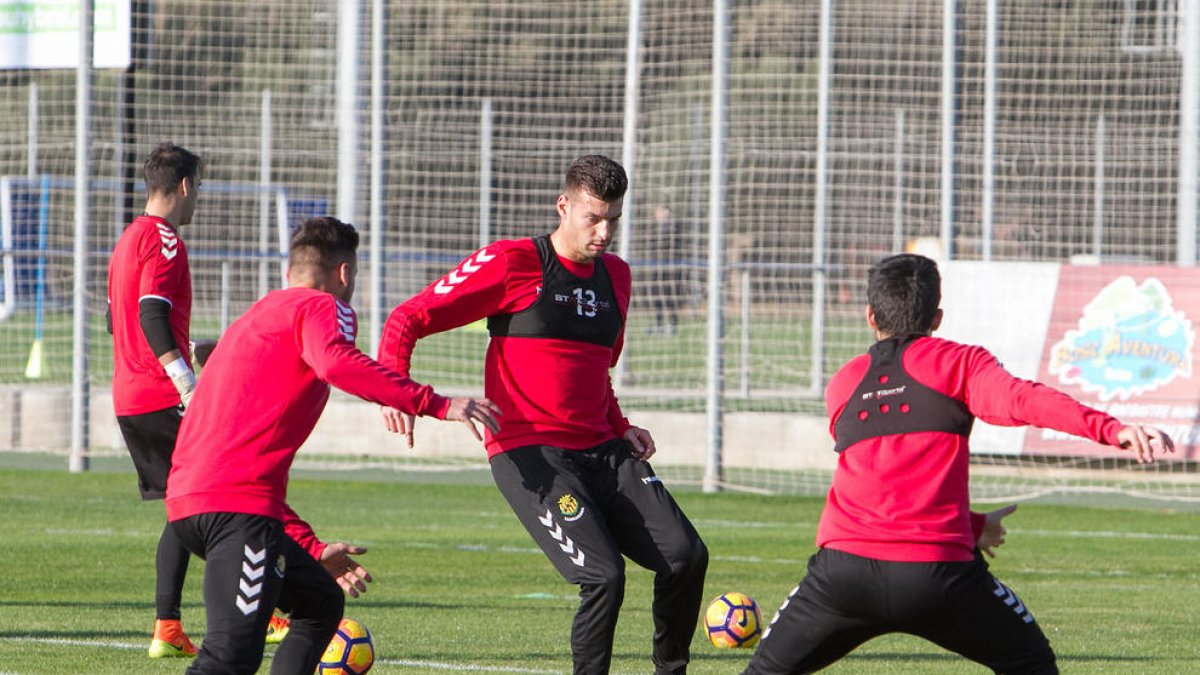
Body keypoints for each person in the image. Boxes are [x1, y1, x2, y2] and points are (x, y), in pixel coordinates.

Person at [741, 253, 1175, 675]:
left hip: (843, 576)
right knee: (1032, 664)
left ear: (870, 316)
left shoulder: (843, 384)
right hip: (938, 575)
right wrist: (1110, 428)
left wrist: (967, 524)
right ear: (937, 318)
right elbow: (1023, 399)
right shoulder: (960, 363)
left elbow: (888, 487)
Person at [378, 155, 709, 675]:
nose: (603, 232)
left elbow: (596, 370)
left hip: (602, 446)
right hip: (531, 453)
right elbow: (408, 317)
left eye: (613, 220)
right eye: (593, 217)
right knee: (604, 577)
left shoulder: (617, 277)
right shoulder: (512, 262)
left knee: (687, 555)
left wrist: (621, 426)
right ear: (564, 205)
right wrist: (396, 388)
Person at [165, 216, 501, 675]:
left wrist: (308, 543)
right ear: (344, 274)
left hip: (195, 500)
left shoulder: (253, 319)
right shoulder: (323, 307)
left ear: (290, 270)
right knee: (228, 660)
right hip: (234, 511)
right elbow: (336, 362)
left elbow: (241, 452)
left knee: (320, 603)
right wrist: (434, 403)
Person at [107, 142, 213, 658]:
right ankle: (272, 609)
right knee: (226, 498)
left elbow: (119, 322)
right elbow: (151, 315)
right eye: (200, 189)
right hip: (161, 394)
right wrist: (185, 381)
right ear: (186, 186)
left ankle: (167, 628)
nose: (199, 201)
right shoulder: (166, 240)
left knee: (183, 508)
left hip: (128, 396)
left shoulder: (128, 238)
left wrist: (188, 348)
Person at [647, 204, 684, 336]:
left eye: (665, 214)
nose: (663, 216)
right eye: (660, 213)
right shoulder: (653, 231)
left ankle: (673, 325)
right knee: (657, 297)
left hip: (671, 270)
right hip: (657, 269)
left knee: (670, 297)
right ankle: (659, 325)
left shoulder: (675, 229)